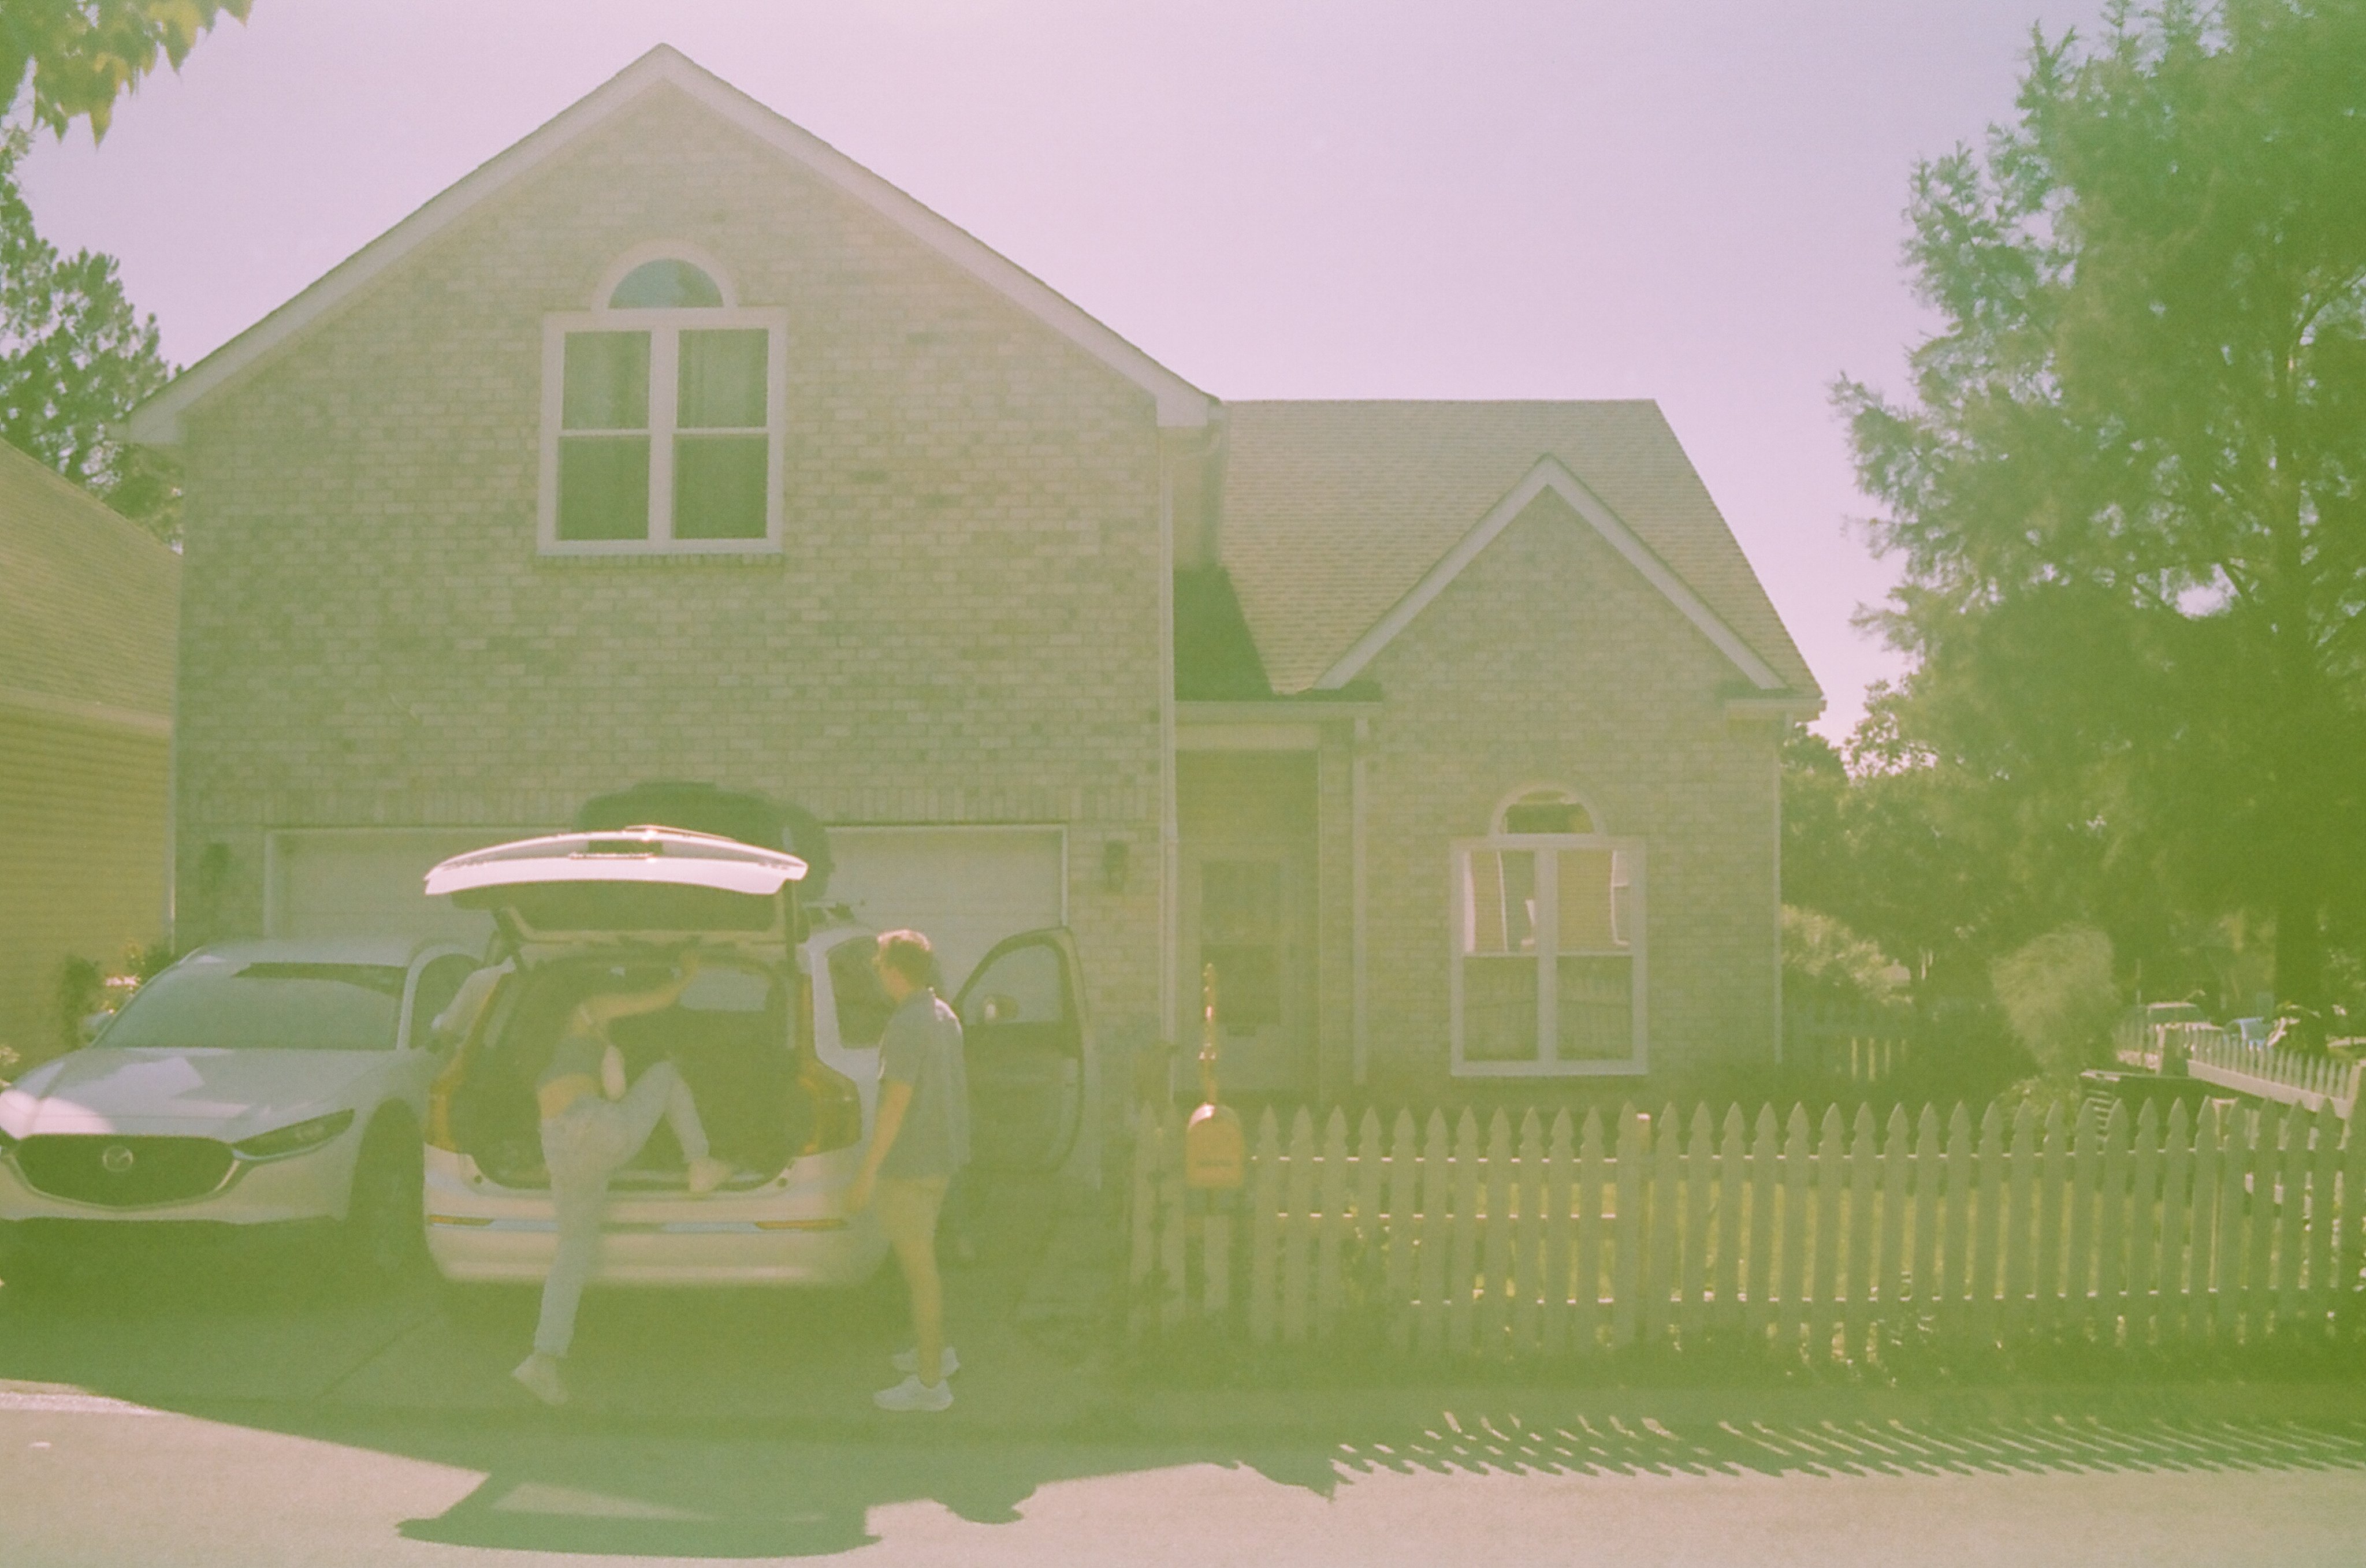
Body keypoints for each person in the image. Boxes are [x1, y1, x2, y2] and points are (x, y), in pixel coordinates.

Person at [511, 951, 731, 1407]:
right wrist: (688, 972)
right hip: (593, 1127)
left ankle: (543, 1358)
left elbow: (568, 1105)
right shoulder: (588, 1008)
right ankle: (701, 1164)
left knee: (571, 1253)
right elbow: (657, 998)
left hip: (556, 1144)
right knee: (666, 1075)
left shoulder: (539, 1034)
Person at [848, 929, 970, 1412]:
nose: (877, 974)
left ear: (895, 972)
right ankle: (934, 1353)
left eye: (879, 965)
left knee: (920, 1274)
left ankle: (929, 1383)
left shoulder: (905, 1025)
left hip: (911, 1165)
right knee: (923, 1267)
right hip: (941, 1160)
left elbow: (895, 1103)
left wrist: (866, 1174)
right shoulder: (943, 1015)